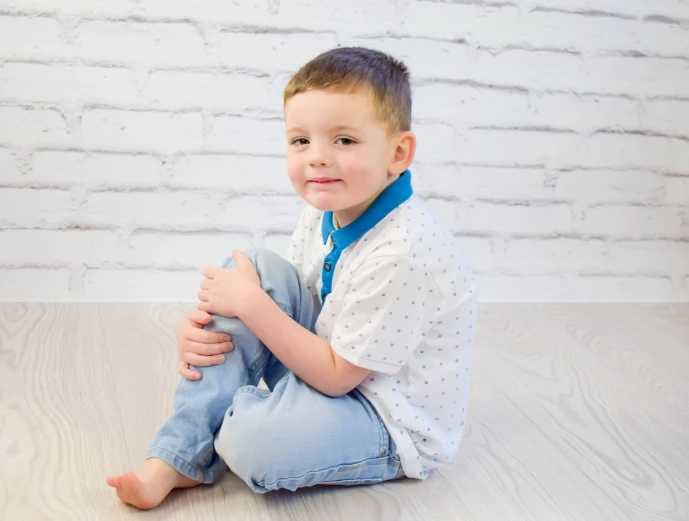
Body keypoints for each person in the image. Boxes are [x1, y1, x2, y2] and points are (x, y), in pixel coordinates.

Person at [106, 46, 478, 510]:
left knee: (251, 441)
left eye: (343, 141)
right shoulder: (326, 209)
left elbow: (340, 377)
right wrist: (209, 330)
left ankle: (226, 423)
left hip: (384, 420)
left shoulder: (405, 253)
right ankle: (180, 455)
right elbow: (277, 299)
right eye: (301, 141)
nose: (316, 159)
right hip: (329, 368)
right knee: (254, 269)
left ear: (398, 153)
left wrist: (247, 312)